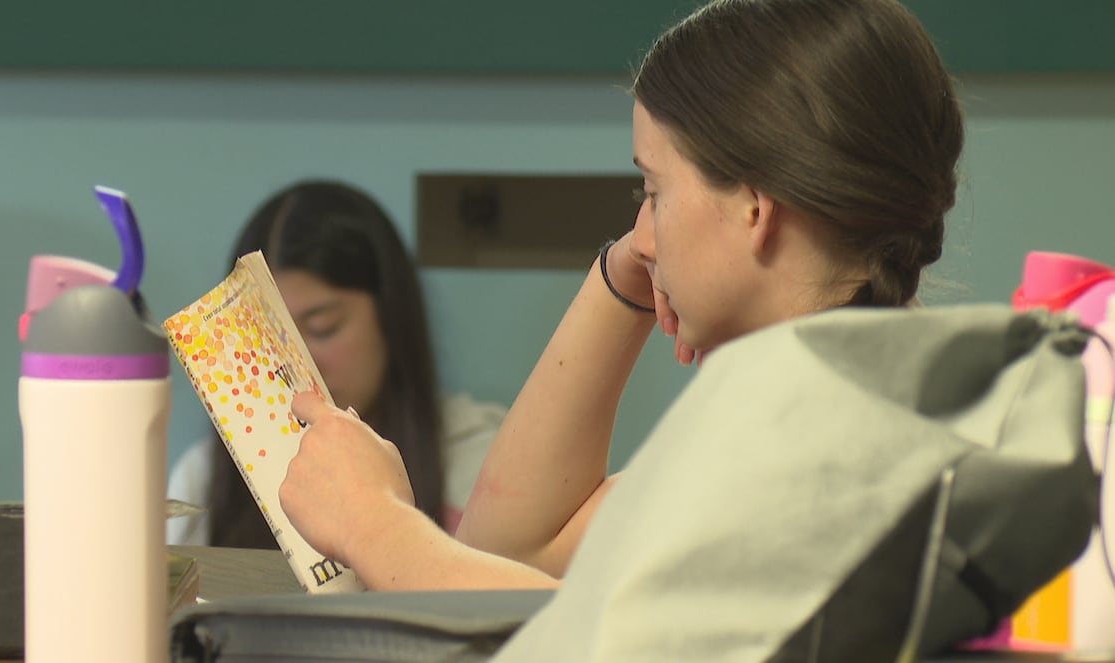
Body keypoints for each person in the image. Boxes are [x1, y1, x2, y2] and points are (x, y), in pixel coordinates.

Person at [279, 0, 964, 590]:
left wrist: (377, 525)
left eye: (655, 190)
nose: (643, 230)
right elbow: (517, 549)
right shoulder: (856, 388)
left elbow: (560, 632)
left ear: (755, 208)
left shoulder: (828, 441)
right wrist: (623, 276)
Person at [167, 179, 507, 548]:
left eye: (322, 328)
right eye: (266, 339)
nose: (298, 370)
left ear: (392, 318)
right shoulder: (202, 481)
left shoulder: (482, 466)